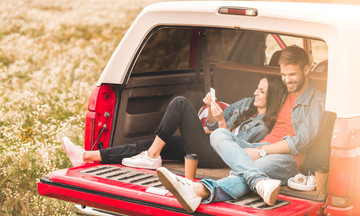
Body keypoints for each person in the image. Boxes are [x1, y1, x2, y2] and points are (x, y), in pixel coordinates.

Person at [156, 45, 326, 213]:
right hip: (260, 147)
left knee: (247, 173)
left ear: (306, 69)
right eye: (283, 74)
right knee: (219, 135)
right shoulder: (282, 92)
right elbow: (258, 104)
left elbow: (300, 142)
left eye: (292, 75)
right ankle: (260, 183)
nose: (287, 80)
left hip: (288, 158)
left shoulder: (317, 101)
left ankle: (199, 190)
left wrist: (261, 151)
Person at [61, 75, 286, 170]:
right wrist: (211, 110)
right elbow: (213, 126)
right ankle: (86, 156)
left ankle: (151, 158)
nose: (255, 92)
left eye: (261, 90)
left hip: (217, 156)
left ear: (271, 96)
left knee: (179, 103)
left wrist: (219, 122)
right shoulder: (247, 104)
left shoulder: (262, 125)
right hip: (208, 141)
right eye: (257, 87)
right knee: (151, 143)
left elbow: (232, 149)